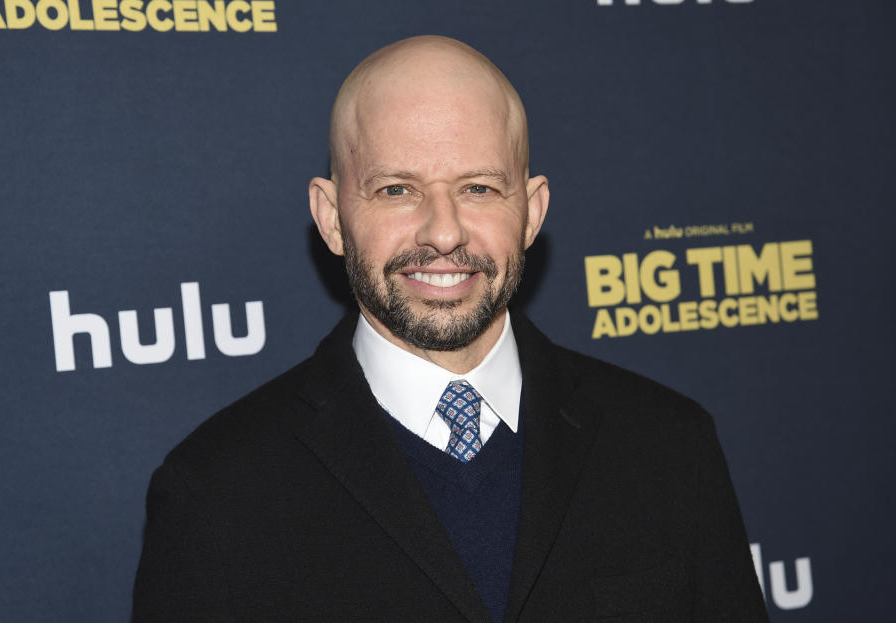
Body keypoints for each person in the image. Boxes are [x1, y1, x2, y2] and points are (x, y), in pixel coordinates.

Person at [132, 35, 768, 623]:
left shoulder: (668, 445)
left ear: (532, 210)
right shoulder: (215, 493)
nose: (443, 231)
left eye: (480, 188)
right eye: (396, 189)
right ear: (331, 218)